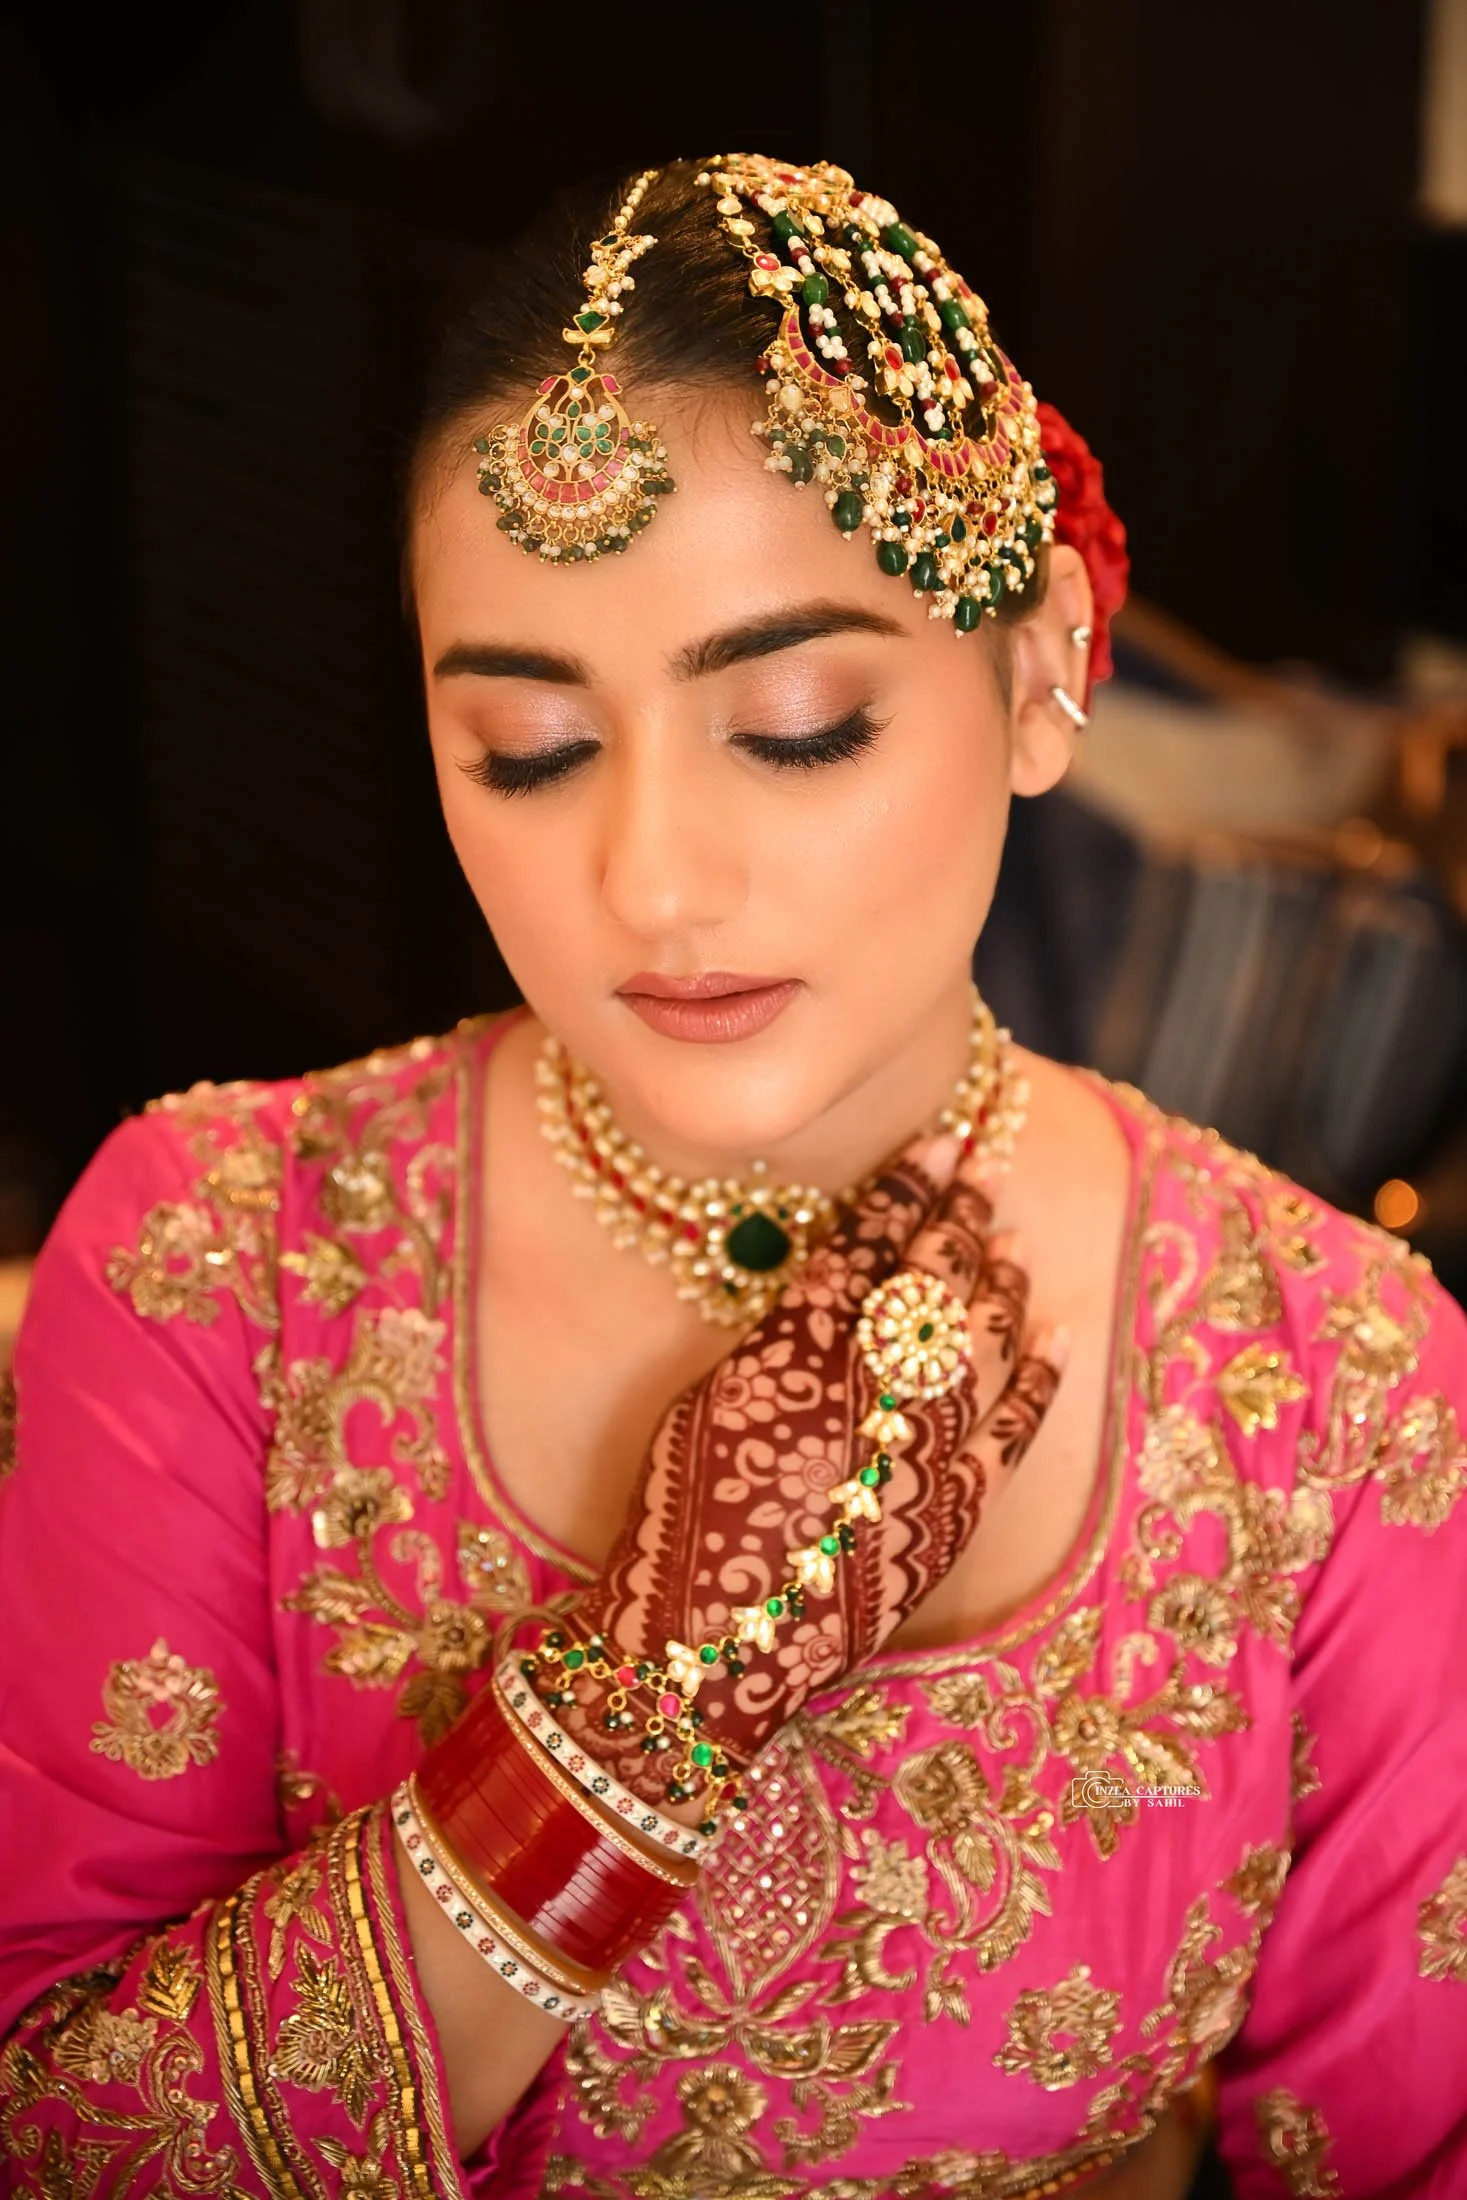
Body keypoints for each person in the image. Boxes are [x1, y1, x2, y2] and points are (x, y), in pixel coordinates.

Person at [1, 153, 1463, 2200]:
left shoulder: (1331, 1371)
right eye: (524, 748)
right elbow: (67, 2146)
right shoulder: (222, 1251)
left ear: (1043, 661)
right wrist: (642, 1708)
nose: (653, 880)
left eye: (793, 722)